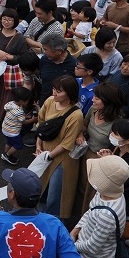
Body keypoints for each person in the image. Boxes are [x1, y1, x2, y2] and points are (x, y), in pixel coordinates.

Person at [35, 76, 85, 219]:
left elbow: (67, 144)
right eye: (54, 89)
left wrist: (46, 156)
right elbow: (41, 125)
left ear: (69, 93)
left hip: (61, 160)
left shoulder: (76, 115)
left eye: (59, 91)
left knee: (55, 197)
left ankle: (51, 224)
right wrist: (38, 145)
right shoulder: (50, 101)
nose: (54, 93)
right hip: (45, 153)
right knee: (41, 190)